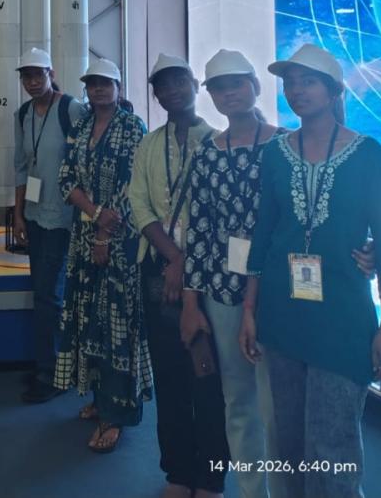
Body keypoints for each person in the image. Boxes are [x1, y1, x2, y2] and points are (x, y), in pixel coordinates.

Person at [239, 44, 381, 498]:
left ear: (334, 90)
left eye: (309, 81)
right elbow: (263, 233)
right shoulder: (276, 153)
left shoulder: (367, 153)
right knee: (289, 440)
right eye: (290, 83)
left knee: (334, 444)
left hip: (344, 317)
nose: (297, 90)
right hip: (282, 314)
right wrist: (249, 311)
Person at [180, 50, 281, 498]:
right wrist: (191, 301)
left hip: (277, 290)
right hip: (221, 292)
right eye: (219, 88)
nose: (229, 94)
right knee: (237, 398)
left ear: (255, 86)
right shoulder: (207, 152)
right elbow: (198, 230)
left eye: (236, 83)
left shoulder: (284, 145)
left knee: (276, 400)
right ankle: (253, 490)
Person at [128, 52, 229, 498]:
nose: (171, 91)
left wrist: (184, 263)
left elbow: (221, 213)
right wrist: (172, 257)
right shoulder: (148, 145)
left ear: (194, 84)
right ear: (155, 95)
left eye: (178, 82)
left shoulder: (218, 142)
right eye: (162, 86)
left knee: (207, 373)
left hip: (207, 270)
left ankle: (211, 476)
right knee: (168, 373)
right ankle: (178, 473)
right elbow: (138, 203)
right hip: (157, 266)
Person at [54, 57, 152, 453]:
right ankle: (99, 398)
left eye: (105, 83)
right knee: (87, 319)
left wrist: (104, 233)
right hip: (84, 237)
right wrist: (94, 215)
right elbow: (66, 179)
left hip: (120, 243)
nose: (98, 89)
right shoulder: (80, 127)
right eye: (92, 83)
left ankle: (116, 413)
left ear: (118, 87)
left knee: (116, 325)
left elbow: (134, 186)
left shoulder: (133, 128)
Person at [13, 48, 84, 404]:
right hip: (35, 214)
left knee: (49, 294)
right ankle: (49, 364)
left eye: (37, 74)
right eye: (26, 76)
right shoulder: (23, 114)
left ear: (50, 74)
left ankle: (55, 371)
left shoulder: (71, 109)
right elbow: (21, 165)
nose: (32, 81)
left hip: (63, 217)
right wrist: (18, 213)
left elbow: (85, 157)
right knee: (42, 292)